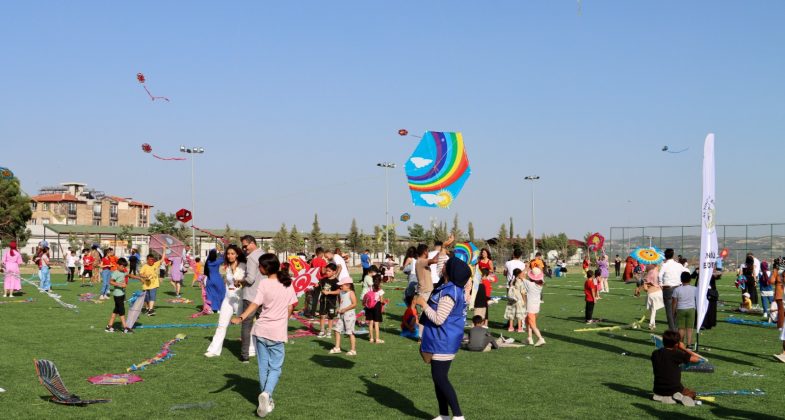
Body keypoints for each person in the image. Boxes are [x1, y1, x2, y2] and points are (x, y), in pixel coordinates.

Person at [231, 253, 298, 418]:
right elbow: (291, 307)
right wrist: (284, 319)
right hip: (276, 333)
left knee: (263, 367)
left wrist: (241, 317)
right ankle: (267, 394)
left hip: (260, 330)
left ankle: (266, 397)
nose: (258, 268)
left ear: (265, 268)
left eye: (260, 266)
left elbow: (255, 304)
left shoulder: (264, 284)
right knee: (275, 367)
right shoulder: (287, 284)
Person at [415, 257, 469, 420]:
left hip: (444, 340)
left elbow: (439, 318)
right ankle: (444, 415)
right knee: (438, 379)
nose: (442, 266)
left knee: (440, 378)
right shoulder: (447, 287)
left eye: (446, 264)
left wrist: (423, 304)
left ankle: (458, 416)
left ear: (451, 271)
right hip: (440, 338)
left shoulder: (450, 292)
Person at [205, 244, 247, 358]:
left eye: (232, 253)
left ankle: (252, 348)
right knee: (221, 324)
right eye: (228, 254)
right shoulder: (227, 267)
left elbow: (243, 280)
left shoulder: (243, 266)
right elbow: (229, 283)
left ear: (237, 254)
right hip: (228, 299)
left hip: (239, 299)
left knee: (245, 325)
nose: (230, 256)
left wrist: (237, 275)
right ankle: (214, 350)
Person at [651, 330, 701, 406]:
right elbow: (697, 358)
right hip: (674, 389)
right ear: (676, 344)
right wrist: (683, 348)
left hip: (657, 389)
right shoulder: (677, 354)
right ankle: (677, 397)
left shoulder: (655, 353)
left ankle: (661, 397)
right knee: (692, 393)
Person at [239, 235, 264, 363]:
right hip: (264, 296)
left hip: (251, 296)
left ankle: (245, 355)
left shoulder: (252, 258)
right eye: (243, 246)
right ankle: (263, 352)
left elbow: (250, 279)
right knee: (263, 325)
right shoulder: (264, 255)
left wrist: (240, 281)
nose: (244, 249)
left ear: (253, 243)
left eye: (245, 245)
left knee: (246, 325)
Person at [658, 249, 688, 331]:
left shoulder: (665, 265)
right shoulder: (678, 265)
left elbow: (659, 275)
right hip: (678, 288)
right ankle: (678, 329)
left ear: (665, 256)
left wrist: (661, 284)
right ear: (673, 255)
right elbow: (686, 271)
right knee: (677, 311)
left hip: (668, 288)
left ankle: (672, 331)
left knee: (669, 312)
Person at [129, 248, 165, 316]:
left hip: (154, 285)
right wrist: (145, 276)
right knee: (146, 299)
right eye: (150, 260)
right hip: (146, 285)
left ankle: (150, 310)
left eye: (153, 260)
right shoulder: (144, 266)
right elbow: (141, 274)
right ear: (147, 260)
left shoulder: (155, 264)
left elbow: (162, 259)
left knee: (152, 297)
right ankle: (147, 308)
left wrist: (164, 250)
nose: (152, 261)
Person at [328, 277, 358, 355]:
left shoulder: (351, 293)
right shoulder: (341, 292)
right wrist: (339, 308)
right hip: (341, 315)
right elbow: (341, 303)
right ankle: (337, 348)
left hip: (349, 315)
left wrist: (345, 309)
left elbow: (354, 304)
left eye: (342, 285)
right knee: (336, 330)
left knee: (350, 332)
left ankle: (353, 350)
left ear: (348, 285)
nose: (340, 287)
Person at [105, 258, 132, 333]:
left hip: (122, 294)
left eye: (124, 267)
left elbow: (128, 275)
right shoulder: (115, 273)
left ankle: (109, 326)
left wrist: (139, 278)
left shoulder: (123, 271)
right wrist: (120, 285)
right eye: (123, 267)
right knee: (121, 311)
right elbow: (110, 282)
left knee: (116, 310)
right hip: (117, 295)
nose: (124, 268)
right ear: (118, 265)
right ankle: (125, 327)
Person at [672, 272, 697, 348]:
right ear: (690, 279)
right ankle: (689, 344)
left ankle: (681, 344)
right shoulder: (695, 289)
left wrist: (673, 312)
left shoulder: (677, 289)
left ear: (681, 280)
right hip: (691, 309)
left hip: (680, 309)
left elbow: (674, 303)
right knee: (689, 328)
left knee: (681, 328)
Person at [524, 267, 546, 346]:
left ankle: (540, 338)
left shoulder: (530, 284)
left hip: (531, 308)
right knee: (528, 321)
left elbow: (521, 277)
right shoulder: (540, 283)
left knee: (533, 325)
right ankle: (529, 338)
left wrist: (526, 268)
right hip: (536, 307)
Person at [304, 247, 327, 319]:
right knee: (324, 296)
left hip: (314, 280)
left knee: (315, 297)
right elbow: (323, 271)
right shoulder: (323, 261)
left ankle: (312, 313)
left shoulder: (313, 261)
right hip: (322, 280)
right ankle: (322, 312)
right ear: (322, 253)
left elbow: (310, 269)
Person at [318, 263, 340, 337]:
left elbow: (338, 291)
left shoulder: (336, 281)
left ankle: (329, 331)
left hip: (331, 302)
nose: (327, 272)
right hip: (323, 301)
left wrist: (329, 292)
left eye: (329, 271)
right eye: (326, 271)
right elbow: (319, 285)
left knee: (330, 317)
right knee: (322, 316)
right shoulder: (323, 280)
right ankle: (322, 330)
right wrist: (316, 285)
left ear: (334, 272)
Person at [363, 274, 385, 344]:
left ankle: (371, 338)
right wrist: (384, 302)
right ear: (380, 281)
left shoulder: (369, 288)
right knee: (376, 323)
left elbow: (366, 296)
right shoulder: (380, 290)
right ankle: (377, 339)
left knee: (370, 323)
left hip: (369, 306)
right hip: (377, 306)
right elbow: (381, 301)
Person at [644, 265, 664, 331]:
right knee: (654, 310)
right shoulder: (659, 273)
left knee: (652, 310)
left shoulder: (648, 274)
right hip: (658, 292)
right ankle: (652, 324)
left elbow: (645, 288)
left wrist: (648, 288)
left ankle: (652, 324)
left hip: (650, 293)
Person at [773, 258, 784, 329]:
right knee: (781, 310)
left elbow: (771, 281)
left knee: (781, 310)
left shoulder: (776, 270)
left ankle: (780, 326)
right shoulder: (778, 271)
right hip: (781, 291)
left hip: (779, 291)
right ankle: (780, 326)